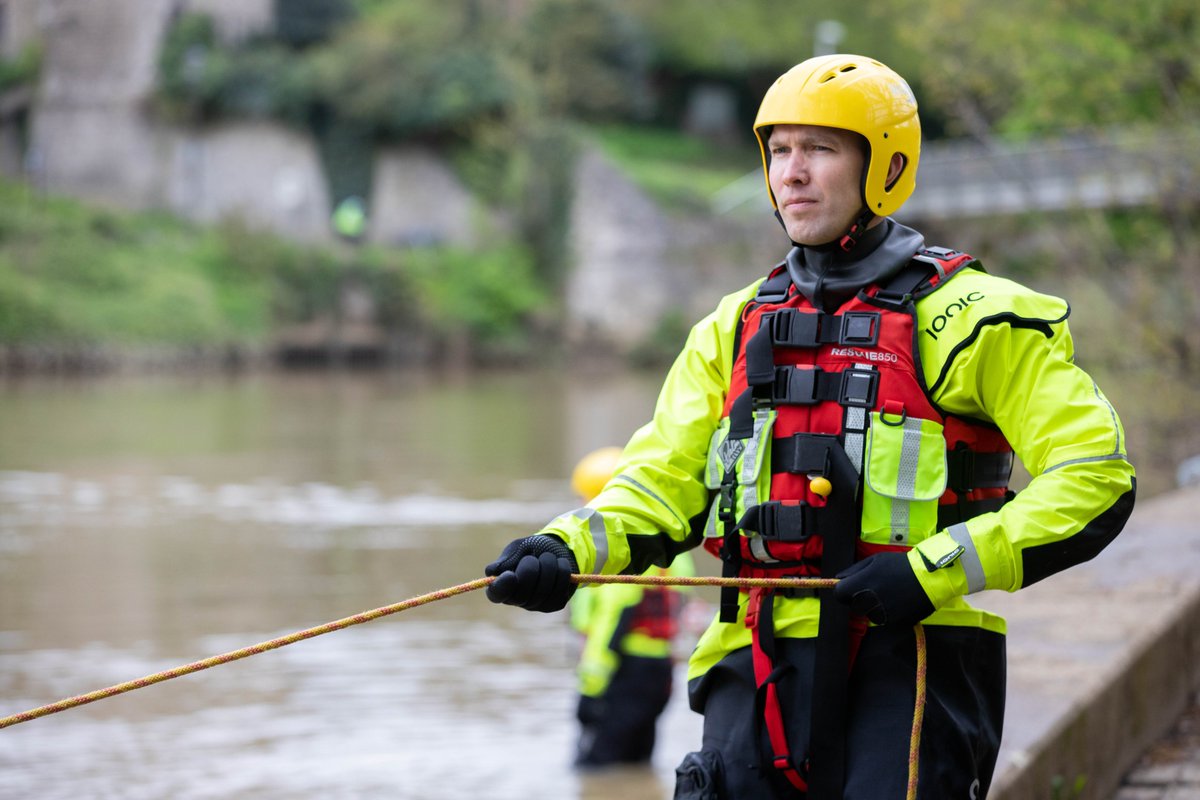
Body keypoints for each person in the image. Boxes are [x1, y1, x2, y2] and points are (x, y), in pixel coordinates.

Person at [484, 53, 1136, 799]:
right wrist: (561, 548)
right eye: (780, 151)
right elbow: (662, 483)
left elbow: (1096, 477)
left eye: (820, 149)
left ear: (885, 164)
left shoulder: (973, 318)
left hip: (911, 660)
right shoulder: (730, 327)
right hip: (753, 662)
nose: (792, 172)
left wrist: (933, 572)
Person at [567, 447, 695, 769]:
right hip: (661, 673)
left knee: (596, 771)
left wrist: (590, 692)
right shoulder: (675, 553)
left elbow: (611, 623)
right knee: (638, 764)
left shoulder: (618, 558)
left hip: (622, 674)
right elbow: (684, 606)